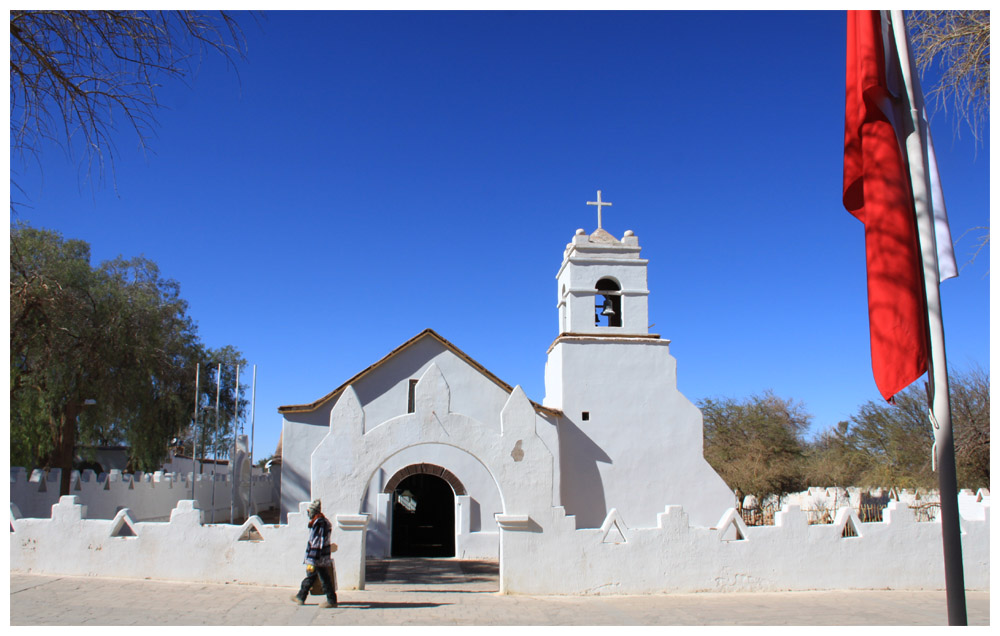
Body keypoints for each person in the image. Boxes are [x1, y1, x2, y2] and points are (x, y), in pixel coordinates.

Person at [291, 499, 338, 607]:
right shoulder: (320, 522)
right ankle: (300, 597)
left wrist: (312, 559)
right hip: (319, 557)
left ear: (314, 511)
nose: (309, 514)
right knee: (313, 577)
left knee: (323, 578)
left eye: (309, 512)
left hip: (318, 557)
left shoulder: (319, 523)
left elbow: (317, 542)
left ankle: (331, 601)